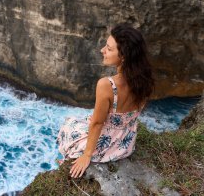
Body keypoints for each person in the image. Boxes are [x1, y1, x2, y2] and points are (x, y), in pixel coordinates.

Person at [57, 23, 154, 178]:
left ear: (123, 56)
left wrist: (87, 155)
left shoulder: (107, 85)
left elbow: (97, 123)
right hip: (126, 143)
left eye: (109, 49)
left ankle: (68, 161)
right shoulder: (145, 79)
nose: (102, 50)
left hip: (107, 146)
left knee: (69, 126)